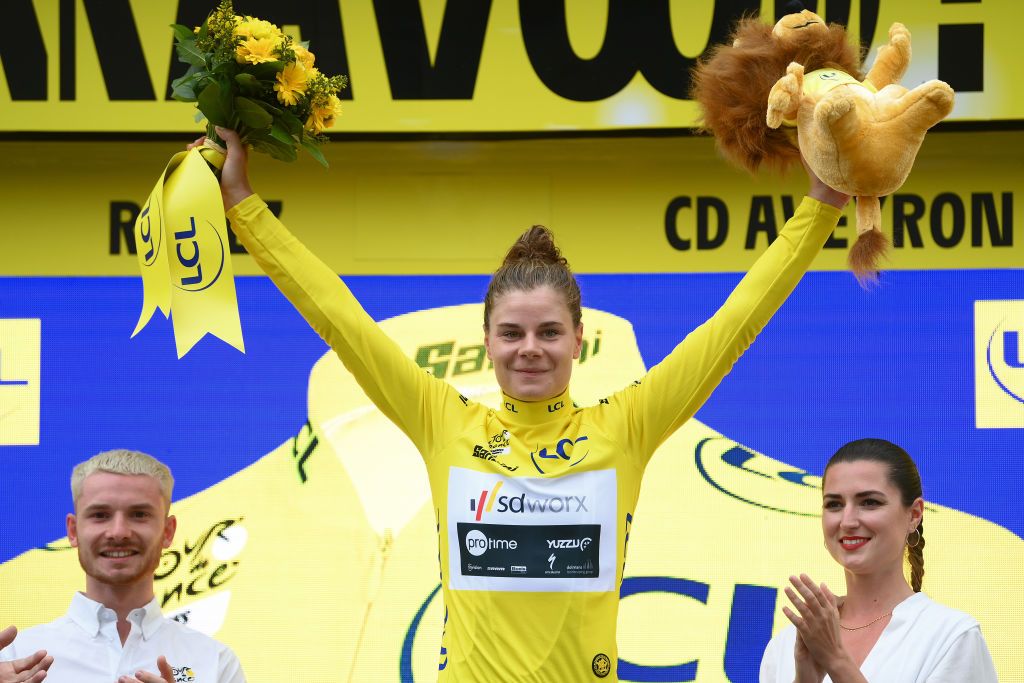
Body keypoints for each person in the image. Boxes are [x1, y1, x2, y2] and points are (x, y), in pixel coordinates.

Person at [199, 125, 848, 681]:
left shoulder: (626, 425)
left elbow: (735, 322)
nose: (529, 348)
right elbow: (339, 316)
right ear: (486, 341)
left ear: (578, 340)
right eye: (512, 332)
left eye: (548, 332)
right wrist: (242, 204)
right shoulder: (443, 420)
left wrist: (821, 203)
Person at [760, 438, 999, 682]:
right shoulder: (785, 646)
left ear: (914, 515)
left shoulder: (952, 637)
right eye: (834, 504)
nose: (848, 521)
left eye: (869, 503)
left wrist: (836, 660)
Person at [0, 450, 246, 683]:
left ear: (168, 531)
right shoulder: (14, 658)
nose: (118, 532)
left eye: (139, 514)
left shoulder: (216, 662)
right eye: (100, 515)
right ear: (73, 531)